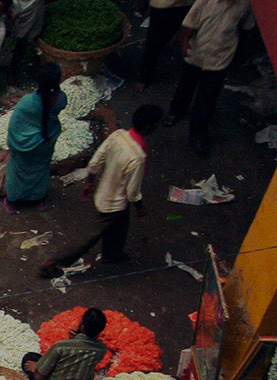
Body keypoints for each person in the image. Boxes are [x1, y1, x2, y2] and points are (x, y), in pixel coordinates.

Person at [40, 104, 157, 277]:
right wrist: (140, 207)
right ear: (148, 128)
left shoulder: (118, 135)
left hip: (105, 192)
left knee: (120, 226)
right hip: (115, 203)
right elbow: (133, 191)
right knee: (90, 236)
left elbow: (96, 161)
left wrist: (89, 183)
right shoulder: (138, 157)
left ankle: (112, 254)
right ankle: (54, 261)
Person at [168, 0, 252, 156]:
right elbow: (190, 20)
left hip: (220, 58)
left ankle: (198, 134)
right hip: (197, 51)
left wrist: (239, 53)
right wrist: (184, 41)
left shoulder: (245, 4)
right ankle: (175, 112)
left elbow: (245, 28)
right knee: (185, 86)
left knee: (207, 98)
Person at [3, 64, 64, 210]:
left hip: (24, 144)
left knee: (18, 170)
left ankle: (12, 201)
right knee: (40, 169)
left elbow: (14, 127)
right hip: (46, 141)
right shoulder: (61, 99)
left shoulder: (27, 101)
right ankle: (37, 200)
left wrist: (14, 143)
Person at [26, 308, 107, 380]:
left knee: (30, 357)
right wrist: (73, 339)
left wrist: (34, 368)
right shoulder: (102, 349)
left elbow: (39, 376)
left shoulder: (60, 346)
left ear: (82, 326)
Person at [136, 0, 193, 90]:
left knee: (162, 36)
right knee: (154, 41)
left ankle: (144, 77)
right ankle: (144, 76)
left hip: (184, 4)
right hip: (164, 4)